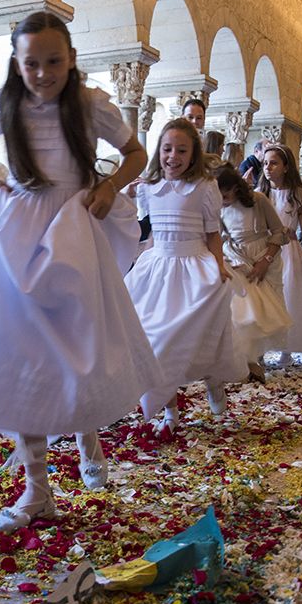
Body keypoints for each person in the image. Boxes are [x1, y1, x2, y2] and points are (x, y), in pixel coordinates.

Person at [0, 11, 161, 534]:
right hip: (16, 236)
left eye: (53, 62)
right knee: (20, 356)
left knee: (77, 347)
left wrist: (109, 186)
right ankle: (37, 488)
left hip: (72, 231)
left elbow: (134, 152)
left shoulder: (89, 105)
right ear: (17, 64)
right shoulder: (5, 104)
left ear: (71, 59)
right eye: (31, 63)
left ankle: (85, 434)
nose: (42, 73)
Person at [126, 119, 242, 427]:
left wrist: (218, 266)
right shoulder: (148, 188)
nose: (173, 157)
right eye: (167, 149)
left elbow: (213, 234)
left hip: (192, 268)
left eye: (181, 150)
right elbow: (148, 231)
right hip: (158, 269)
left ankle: (212, 377)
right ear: (158, 151)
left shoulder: (203, 187)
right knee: (154, 340)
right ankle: (170, 409)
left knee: (193, 338)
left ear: (193, 155)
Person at [216, 165, 292, 382]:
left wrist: (265, 261)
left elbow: (278, 232)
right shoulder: (218, 207)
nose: (223, 201)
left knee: (268, 308)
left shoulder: (258, 200)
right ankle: (247, 360)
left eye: (226, 196)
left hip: (264, 256)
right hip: (236, 258)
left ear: (236, 188)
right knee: (243, 310)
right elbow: (219, 236)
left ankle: (259, 356)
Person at [257, 143, 302, 360]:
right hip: (265, 248)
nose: (268, 168)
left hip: (288, 249)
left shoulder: (296, 193)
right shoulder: (260, 193)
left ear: (285, 167)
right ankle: (261, 348)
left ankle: (287, 348)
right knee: (264, 297)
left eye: (273, 163)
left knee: (289, 295)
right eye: (265, 163)